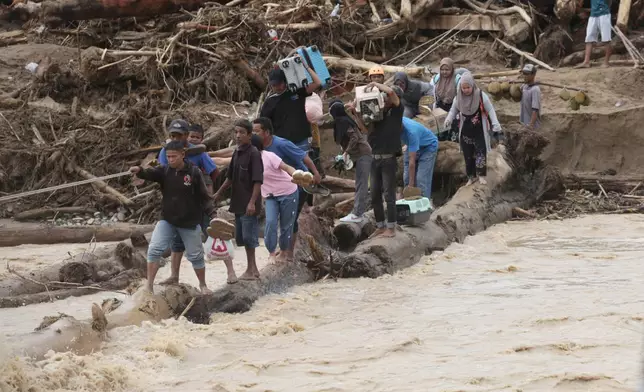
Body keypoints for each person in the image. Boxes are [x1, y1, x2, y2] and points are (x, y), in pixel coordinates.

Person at [130, 140, 215, 294]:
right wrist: (139, 170)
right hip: (167, 219)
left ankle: (203, 285)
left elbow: (205, 197)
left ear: (183, 155)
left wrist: (213, 216)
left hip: (189, 221)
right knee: (154, 249)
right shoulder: (165, 171)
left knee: (195, 256)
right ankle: (149, 285)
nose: (170, 160)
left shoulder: (194, 173)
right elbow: (149, 173)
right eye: (168, 157)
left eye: (173, 156)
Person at [157, 120, 219, 287]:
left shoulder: (198, 153)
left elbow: (214, 171)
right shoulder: (166, 151)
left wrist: (207, 193)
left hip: (199, 203)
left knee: (215, 232)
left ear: (186, 136)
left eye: (178, 135)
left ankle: (228, 272)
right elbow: (163, 173)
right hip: (179, 205)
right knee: (177, 243)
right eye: (172, 135)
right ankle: (174, 276)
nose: (175, 138)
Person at [252, 117, 321, 260]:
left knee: (291, 219)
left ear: (267, 132)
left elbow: (304, 157)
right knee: (272, 220)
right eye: (252, 131)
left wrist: (315, 173)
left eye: (256, 131)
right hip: (274, 188)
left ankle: (289, 252)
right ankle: (281, 249)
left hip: (299, 183)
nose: (254, 133)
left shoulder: (281, 144)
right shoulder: (257, 148)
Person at [213, 119, 263, 281]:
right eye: (236, 132)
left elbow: (257, 181)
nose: (238, 136)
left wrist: (252, 202)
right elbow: (230, 178)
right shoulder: (237, 152)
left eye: (242, 132)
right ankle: (253, 269)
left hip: (249, 202)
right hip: (238, 201)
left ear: (249, 135)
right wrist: (218, 193)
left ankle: (252, 269)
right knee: (241, 238)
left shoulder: (254, 154)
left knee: (249, 237)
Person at [352, 82, 404, 238]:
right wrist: (355, 114)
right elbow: (365, 130)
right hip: (375, 158)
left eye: (387, 96)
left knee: (389, 194)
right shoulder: (377, 113)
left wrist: (374, 83)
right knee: (374, 194)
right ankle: (381, 225)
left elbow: (391, 93)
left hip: (388, 158)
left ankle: (391, 227)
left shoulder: (396, 111)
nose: (385, 98)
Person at [444, 73, 503, 186]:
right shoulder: (458, 98)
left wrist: (495, 123)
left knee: (480, 153)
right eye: (463, 88)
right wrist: (448, 119)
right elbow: (453, 110)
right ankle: (471, 177)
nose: (466, 90)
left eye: (468, 87)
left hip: (479, 130)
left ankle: (481, 176)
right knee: (468, 155)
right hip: (465, 132)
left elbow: (490, 110)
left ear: (472, 85)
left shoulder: (480, 95)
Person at [249, 134, 299, 263]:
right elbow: (225, 161)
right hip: (270, 196)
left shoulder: (269, 156)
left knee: (286, 225)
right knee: (270, 222)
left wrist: (296, 174)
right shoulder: (247, 160)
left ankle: (283, 251)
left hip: (288, 191)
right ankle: (271, 253)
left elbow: (287, 167)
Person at [260, 54, 322, 152]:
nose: (278, 87)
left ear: (285, 81)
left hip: (301, 140)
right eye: (274, 85)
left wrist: (305, 66)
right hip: (282, 143)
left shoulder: (296, 92)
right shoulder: (269, 102)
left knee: (303, 166)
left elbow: (317, 82)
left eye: (280, 84)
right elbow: (263, 124)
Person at [329, 99, 372, 223]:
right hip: (359, 155)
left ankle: (357, 214)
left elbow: (354, 137)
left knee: (361, 184)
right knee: (360, 183)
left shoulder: (343, 122)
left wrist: (346, 152)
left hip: (363, 154)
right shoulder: (343, 121)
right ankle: (359, 212)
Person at [401, 117, 438, 203]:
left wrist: (411, 187)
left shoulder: (411, 132)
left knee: (421, 179)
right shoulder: (393, 122)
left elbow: (412, 163)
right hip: (411, 144)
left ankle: (424, 205)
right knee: (406, 178)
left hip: (428, 146)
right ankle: (409, 206)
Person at [430, 58, 462, 142]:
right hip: (440, 106)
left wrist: (458, 112)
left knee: (453, 128)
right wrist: (434, 108)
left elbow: (459, 97)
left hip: (453, 106)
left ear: (452, 69)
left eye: (447, 70)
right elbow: (432, 93)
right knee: (440, 129)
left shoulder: (458, 79)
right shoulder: (436, 78)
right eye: (442, 69)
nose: (444, 72)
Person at [575, 0, 613, 68]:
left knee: (606, 39)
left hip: (604, 14)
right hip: (593, 15)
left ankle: (606, 62)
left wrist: (606, 8)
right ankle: (586, 62)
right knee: (589, 38)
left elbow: (610, 1)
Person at [519, 64, 542, 130]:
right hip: (524, 124)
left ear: (533, 75)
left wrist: (531, 125)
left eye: (527, 74)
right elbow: (516, 94)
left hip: (532, 127)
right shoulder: (524, 86)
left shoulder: (535, 90)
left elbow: (535, 109)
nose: (524, 76)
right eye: (523, 73)